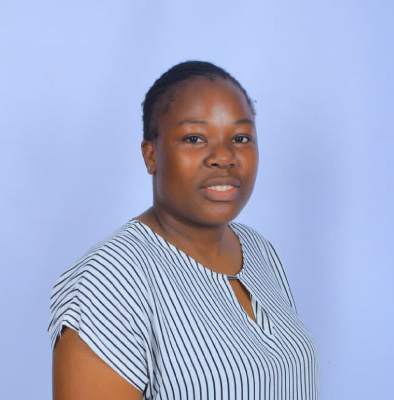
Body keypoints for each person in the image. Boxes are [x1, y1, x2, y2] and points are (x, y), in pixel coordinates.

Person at [48, 61, 320, 400]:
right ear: (151, 155)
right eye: (194, 138)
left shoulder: (258, 250)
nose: (224, 157)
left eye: (240, 138)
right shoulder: (109, 281)